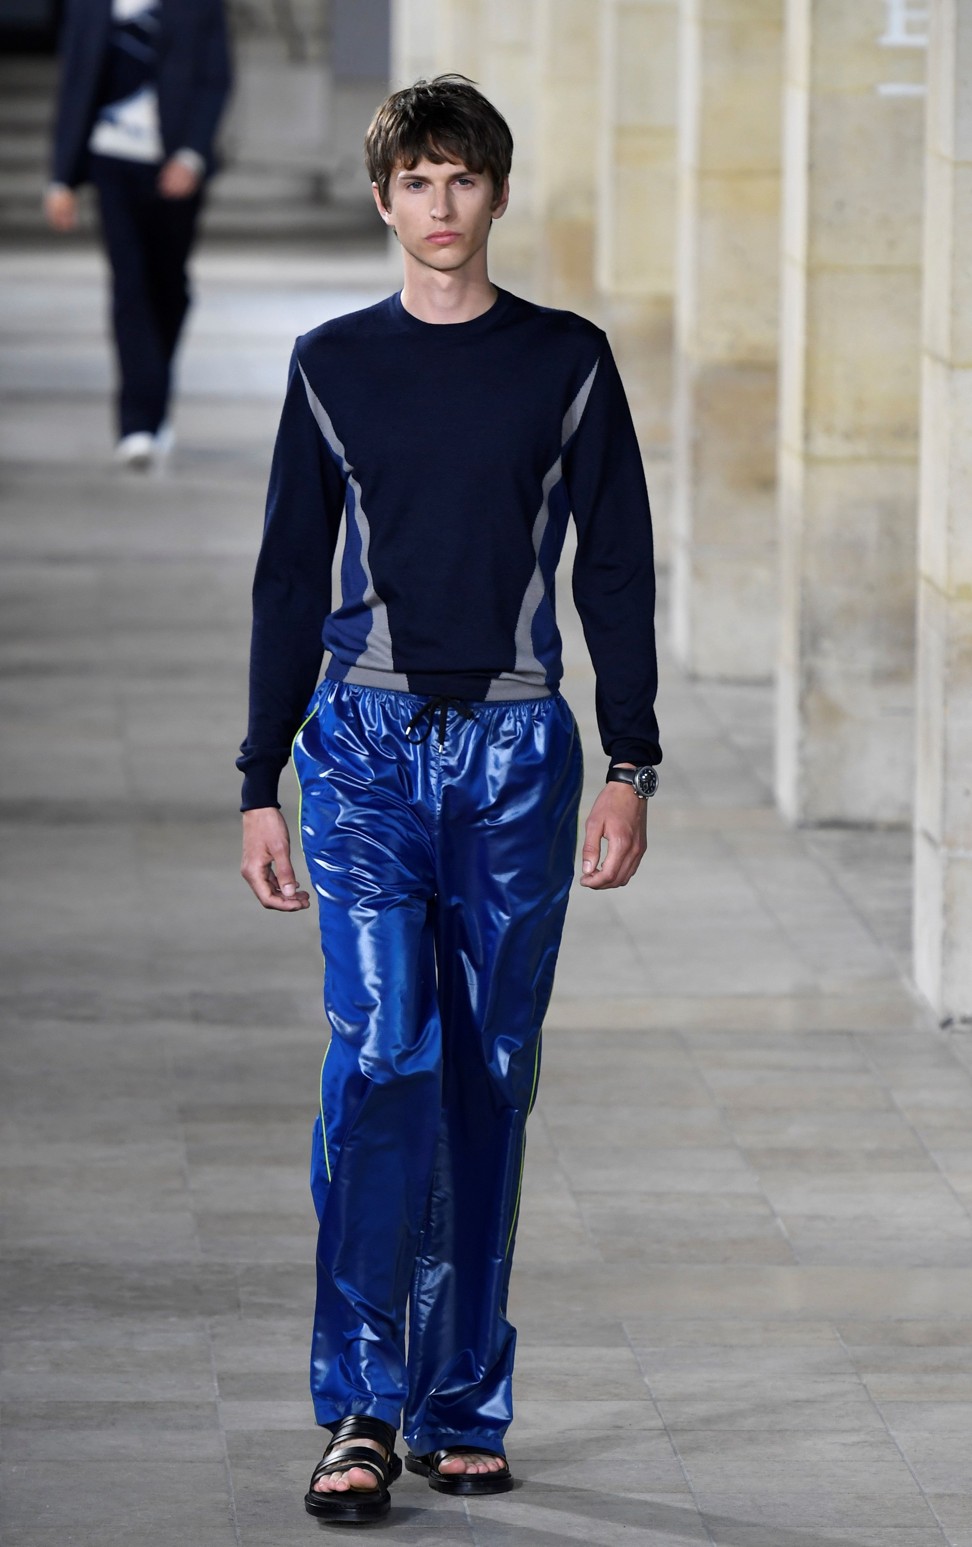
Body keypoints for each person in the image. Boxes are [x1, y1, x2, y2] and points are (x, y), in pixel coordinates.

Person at [238, 74, 662, 1526]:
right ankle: (362, 1399)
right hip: (356, 749)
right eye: (415, 180)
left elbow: (615, 567)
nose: (439, 204)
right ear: (383, 199)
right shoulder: (330, 362)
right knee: (384, 1054)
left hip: (519, 755)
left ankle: (463, 1393)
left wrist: (634, 759)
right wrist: (256, 780)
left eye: (462, 180)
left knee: (488, 1071)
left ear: (494, 193)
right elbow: (291, 574)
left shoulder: (568, 361)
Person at [44, 0, 231, 468]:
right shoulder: (88, 7)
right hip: (111, 159)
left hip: (174, 166)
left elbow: (215, 78)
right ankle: (138, 423)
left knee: (168, 286)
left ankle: (153, 395)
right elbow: (75, 83)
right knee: (129, 287)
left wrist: (191, 155)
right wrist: (61, 177)